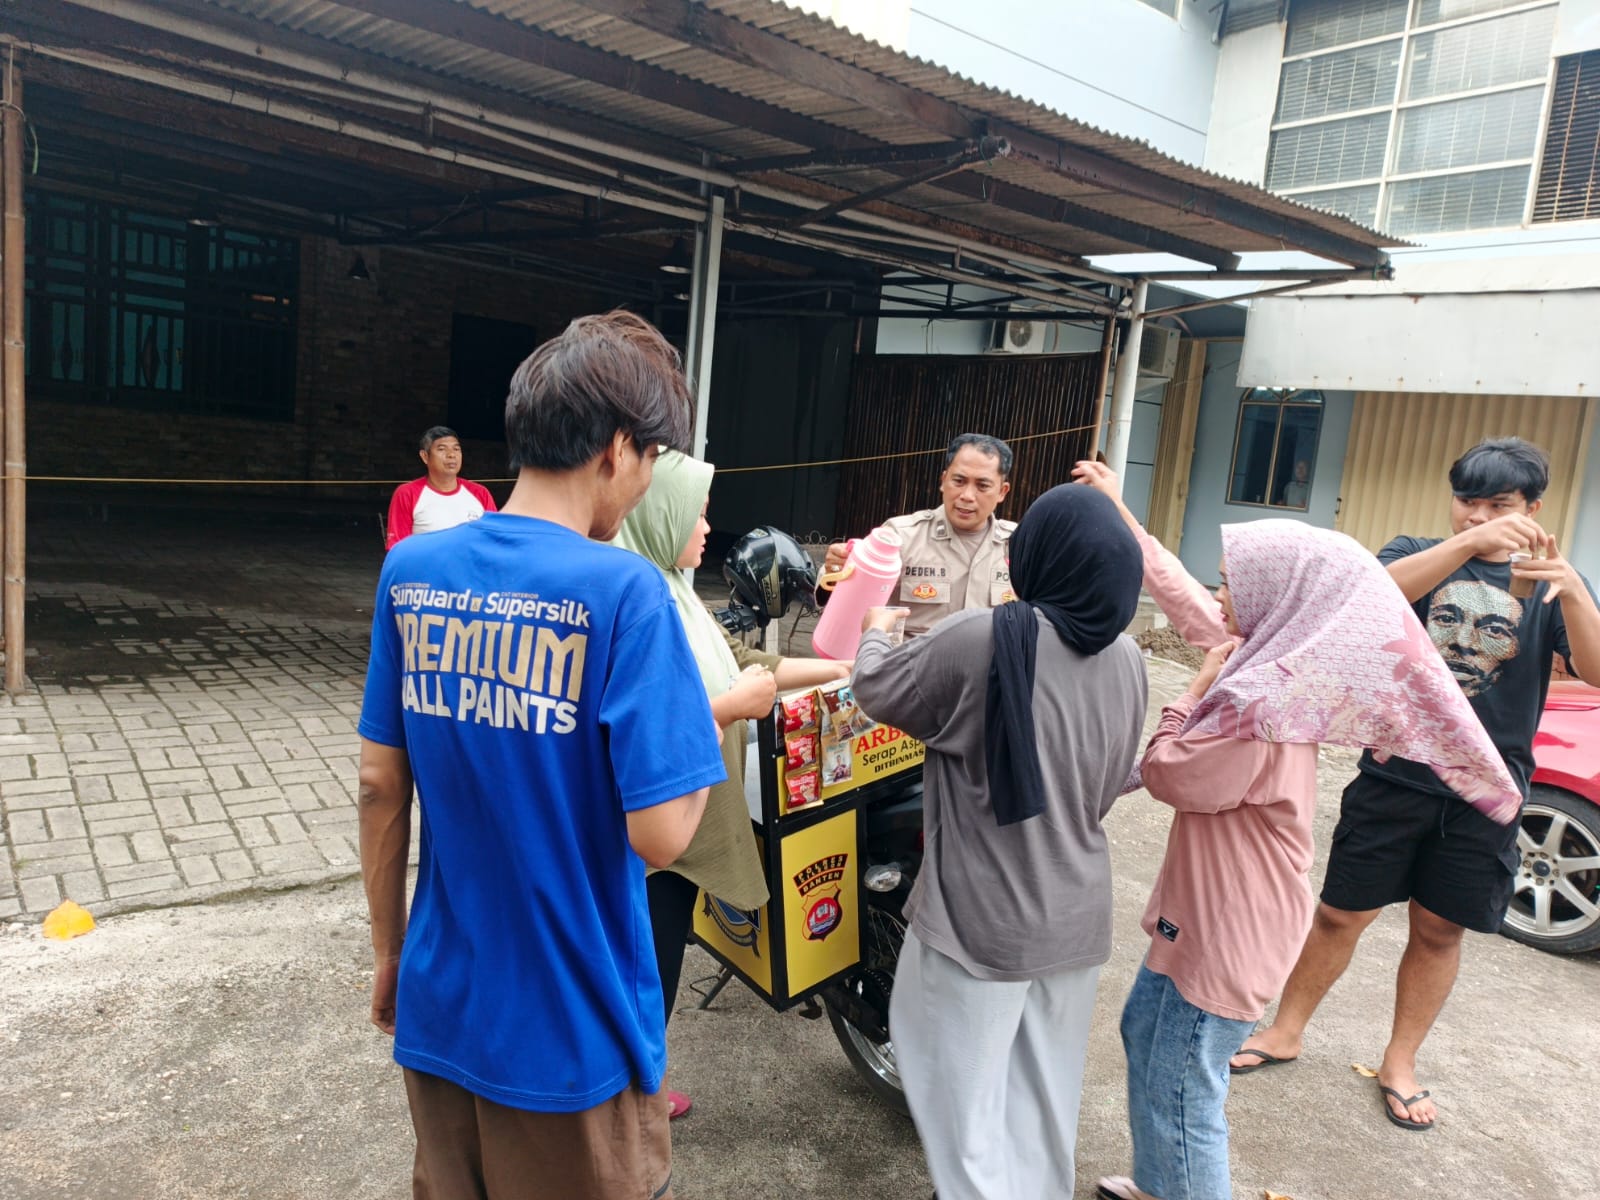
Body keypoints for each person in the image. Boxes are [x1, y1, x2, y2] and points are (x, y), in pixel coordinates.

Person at [356, 311, 727, 1200]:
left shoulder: (411, 571)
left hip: (442, 1000)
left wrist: (389, 952)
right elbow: (662, 836)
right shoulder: (626, 591)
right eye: (652, 460)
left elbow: (378, 784)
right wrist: (707, 731)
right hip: (572, 1031)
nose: (646, 484)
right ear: (619, 448)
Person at [1073, 462, 1517, 1200]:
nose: (1220, 594)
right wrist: (1123, 512)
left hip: (1226, 929)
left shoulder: (1260, 702)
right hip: (1207, 913)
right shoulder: (1278, 663)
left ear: (1281, 597)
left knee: (1182, 1088)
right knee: (1147, 1038)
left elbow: (1170, 773)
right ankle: (1161, 1185)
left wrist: (1186, 698)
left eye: (1230, 583)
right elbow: (1186, 602)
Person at [1231, 437, 1600, 1131]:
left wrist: (1575, 590)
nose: (1477, 516)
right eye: (1467, 500)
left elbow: (1596, 670)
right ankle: (1285, 1030)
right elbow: (1364, 599)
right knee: (1340, 914)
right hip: (1395, 775)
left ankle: (1399, 1063)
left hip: (1487, 791)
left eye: (1499, 505)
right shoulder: (1418, 554)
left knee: (1439, 931)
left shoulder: (1552, 584)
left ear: (1533, 509)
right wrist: (1470, 545)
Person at [850, 484, 1150, 1200]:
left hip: (979, 920)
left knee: (964, 1122)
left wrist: (876, 627)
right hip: (1076, 916)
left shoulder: (980, 637)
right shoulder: (1129, 657)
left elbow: (876, 687)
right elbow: (1108, 785)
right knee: (1042, 1109)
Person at [612, 450, 849, 1121]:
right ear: (662, 515)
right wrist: (731, 707)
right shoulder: (641, 603)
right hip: (659, 834)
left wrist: (842, 668)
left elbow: (745, 660)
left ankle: (642, 1088)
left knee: (656, 965)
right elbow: (647, 726)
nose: (708, 528)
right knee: (647, 971)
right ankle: (632, 1107)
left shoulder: (675, 593)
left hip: (687, 823)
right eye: (698, 513)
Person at [824, 433, 1016, 639]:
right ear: (943, 481)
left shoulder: (1020, 545)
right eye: (959, 481)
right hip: (909, 659)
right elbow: (851, 604)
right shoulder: (901, 536)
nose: (967, 496)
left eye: (982, 486)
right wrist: (837, 569)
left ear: (1002, 492)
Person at [384, 425, 498, 549]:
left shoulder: (480, 493)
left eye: (456, 449)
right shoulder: (407, 493)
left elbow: (495, 540)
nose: (451, 455)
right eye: (442, 449)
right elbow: (397, 549)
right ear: (425, 456)